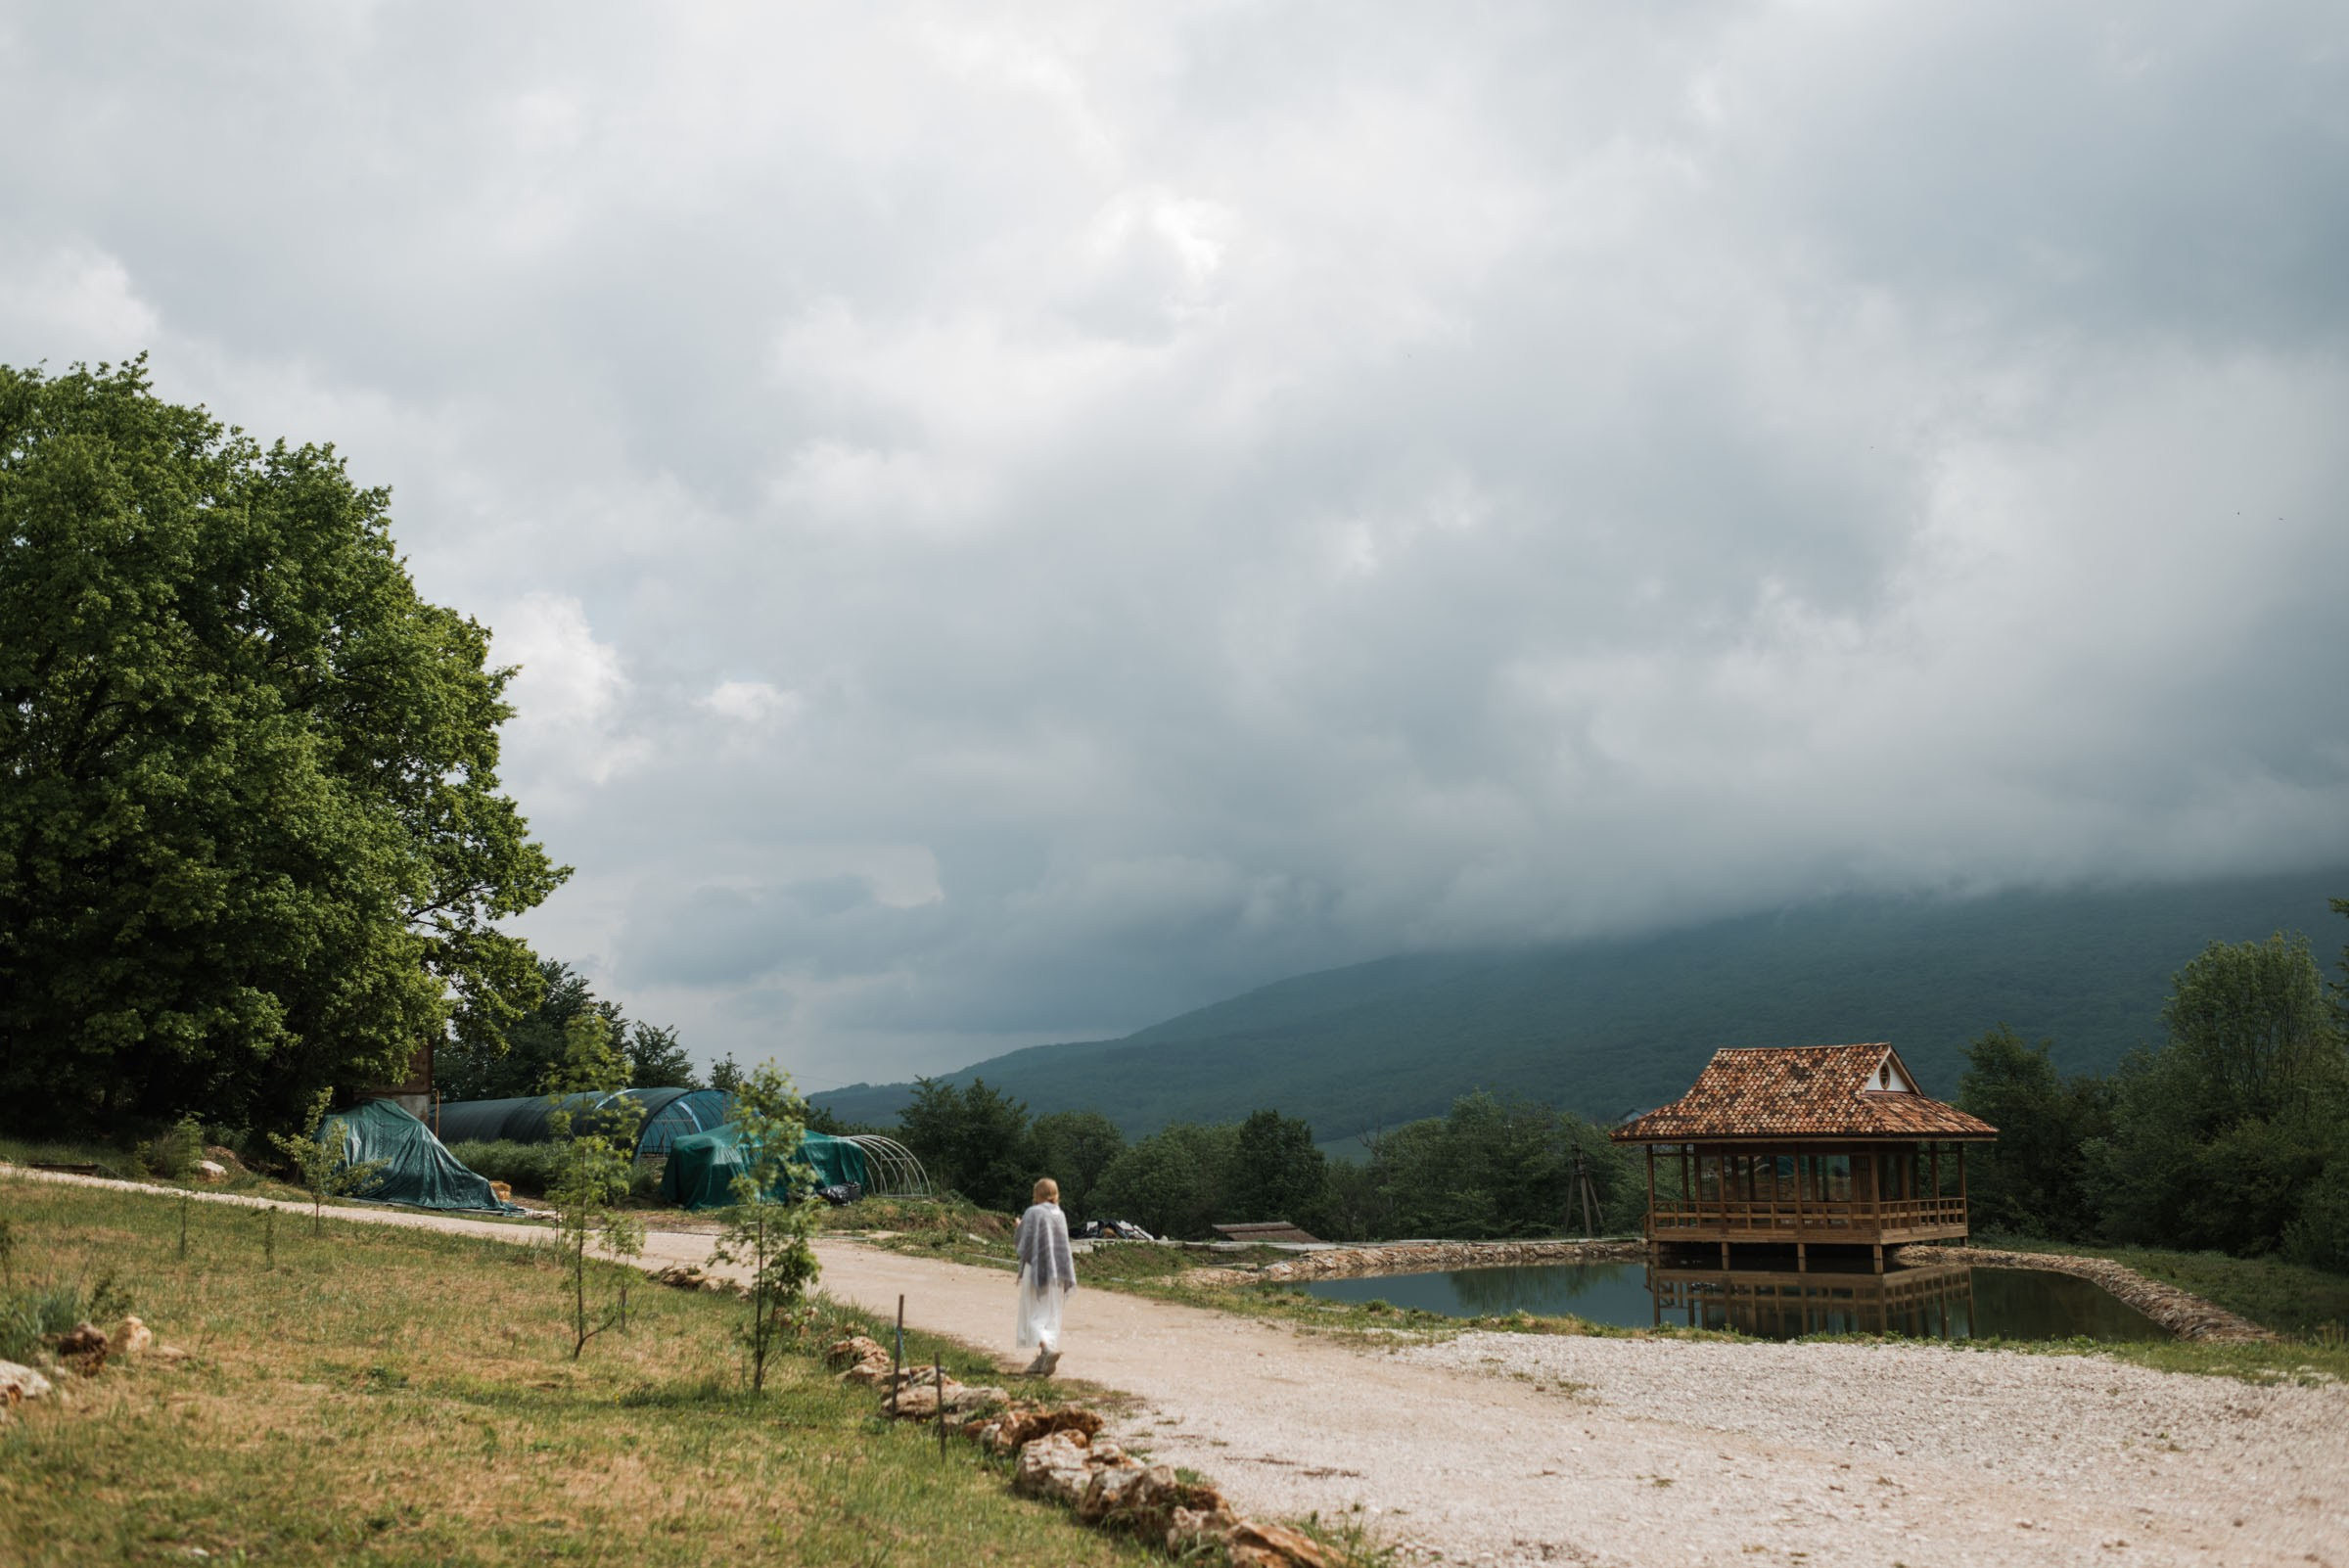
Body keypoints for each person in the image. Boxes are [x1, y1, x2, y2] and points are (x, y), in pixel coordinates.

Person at [1014, 1176, 1076, 1375]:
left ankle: (1047, 1351)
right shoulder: (1060, 1214)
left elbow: (1023, 1239)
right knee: (1051, 1315)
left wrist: (1018, 1226)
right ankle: (1043, 1359)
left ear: (1037, 1195)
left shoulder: (1033, 1213)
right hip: (1059, 1271)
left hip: (1037, 1270)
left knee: (1033, 1314)